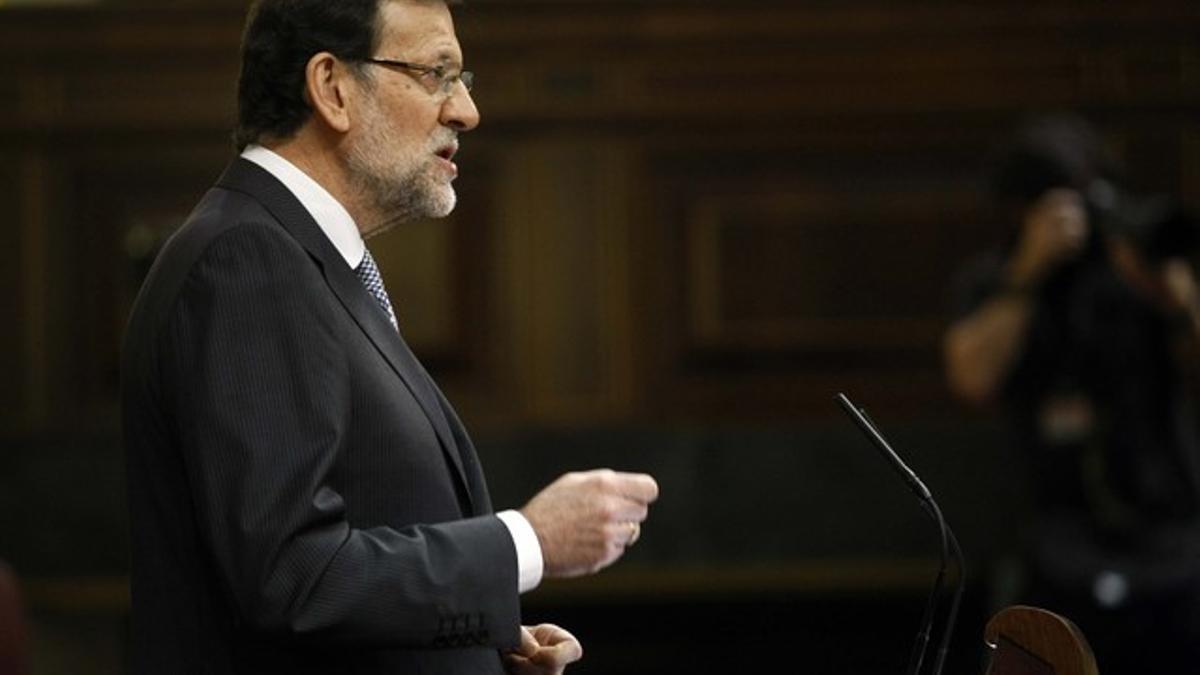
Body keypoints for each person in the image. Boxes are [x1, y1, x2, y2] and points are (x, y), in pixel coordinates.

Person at [120, 2, 659, 674]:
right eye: (437, 74)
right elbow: (293, 576)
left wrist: (474, 643)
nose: (465, 111)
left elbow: (347, 555)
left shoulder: (301, 259)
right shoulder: (248, 262)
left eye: (463, 80)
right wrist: (529, 540)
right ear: (333, 87)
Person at [943, 114, 1200, 673]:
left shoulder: (1135, 274)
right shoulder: (1000, 281)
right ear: (1020, 211)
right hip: (1058, 556)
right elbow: (970, 377)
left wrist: (1177, 303)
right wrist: (1028, 274)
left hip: (1174, 550)